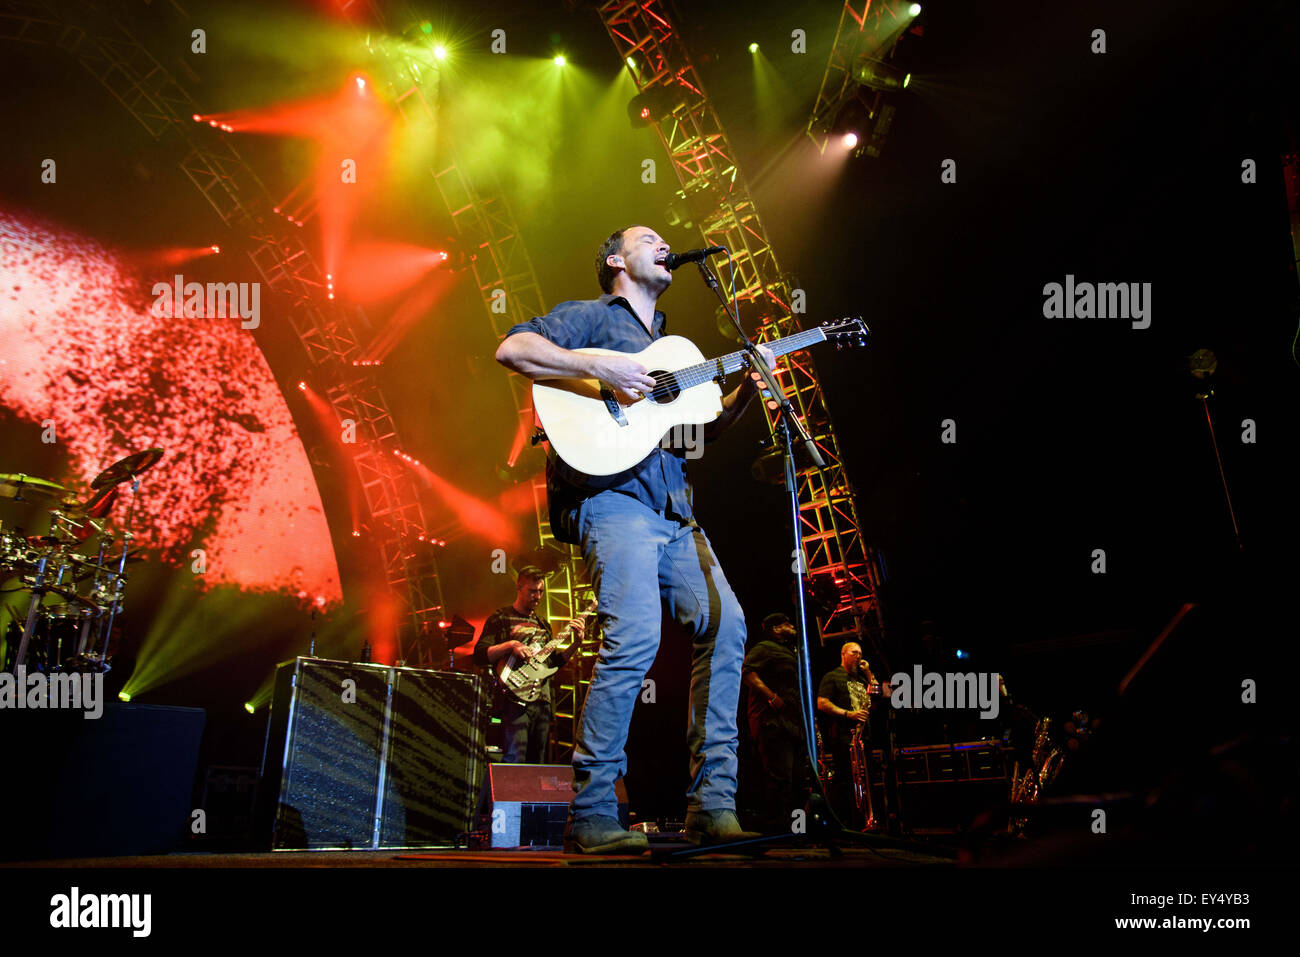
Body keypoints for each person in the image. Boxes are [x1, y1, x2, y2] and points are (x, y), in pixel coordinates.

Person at [495, 225, 776, 853]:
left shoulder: (674, 350)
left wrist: (747, 392)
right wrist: (602, 364)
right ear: (616, 260)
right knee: (637, 636)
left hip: (675, 510)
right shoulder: (590, 317)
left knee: (727, 626)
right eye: (648, 238)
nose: (663, 244)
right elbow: (512, 350)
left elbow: (693, 435)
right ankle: (593, 814)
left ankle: (715, 804)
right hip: (612, 500)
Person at [473, 566, 585, 764]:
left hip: (541, 703)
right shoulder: (501, 618)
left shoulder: (544, 624)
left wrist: (575, 644)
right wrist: (511, 645)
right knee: (515, 762)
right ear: (519, 587)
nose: (537, 596)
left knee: (538, 765)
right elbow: (480, 655)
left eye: (541, 591)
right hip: (514, 702)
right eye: (532, 591)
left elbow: (552, 665)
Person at [742, 612, 804, 830]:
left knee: (797, 778)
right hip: (773, 722)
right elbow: (748, 673)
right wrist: (771, 696)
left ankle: (797, 829)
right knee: (780, 776)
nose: (792, 626)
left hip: (794, 722)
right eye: (787, 624)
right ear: (776, 628)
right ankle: (778, 828)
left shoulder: (791, 651)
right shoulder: (764, 648)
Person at [816, 640, 875, 827]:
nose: (859, 656)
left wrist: (868, 673)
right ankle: (849, 824)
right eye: (854, 652)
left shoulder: (863, 678)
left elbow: (878, 692)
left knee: (867, 780)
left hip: (863, 737)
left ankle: (867, 821)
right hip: (843, 737)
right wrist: (849, 714)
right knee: (847, 781)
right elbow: (822, 703)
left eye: (860, 652)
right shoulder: (833, 676)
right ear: (843, 654)